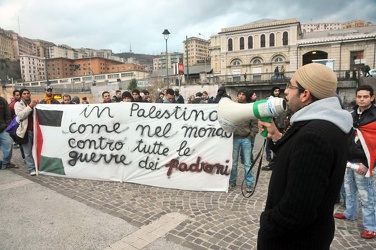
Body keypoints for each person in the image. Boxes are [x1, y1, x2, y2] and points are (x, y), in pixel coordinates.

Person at [257, 63, 353, 249]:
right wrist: (277, 137)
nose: (285, 92)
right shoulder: (328, 123)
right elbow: (299, 160)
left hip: (292, 241)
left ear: (305, 94)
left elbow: (297, 211)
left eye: (291, 86)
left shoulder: (314, 135)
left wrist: (267, 222)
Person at [334, 85, 376, 239]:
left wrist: (366, 163)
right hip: (349, 160)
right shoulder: (352, 115)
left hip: (363, 163)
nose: (362, 99)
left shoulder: (375, 116)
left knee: (367, 195)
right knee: (349, 189)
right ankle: (350, 213)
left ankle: (371, 226)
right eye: (359, 96)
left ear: (372, 97)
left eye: (365, 96)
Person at [229, 89, 258, 192]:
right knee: (234, 163)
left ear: (246, 97)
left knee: (247, 163)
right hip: (235, 139)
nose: (241, 96)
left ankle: (249, 183)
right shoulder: (233, 108)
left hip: (246, 139)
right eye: (239, 94)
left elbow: (255, 125)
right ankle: (232, 181)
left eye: (243, 94)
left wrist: (250, 137)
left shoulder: (249, 108)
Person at [15, 89, 39, 176]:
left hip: (36, 131)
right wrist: (30, 106)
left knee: (37, 150)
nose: (26, 95)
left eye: (28, 93)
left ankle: (38, 166)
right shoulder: (18, 104)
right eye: (24, 94)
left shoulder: (34, 103)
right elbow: (21, 115)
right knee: (28, 151)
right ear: (21, 95)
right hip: (26, 131)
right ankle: (31, 168)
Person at [262, 86, 283, 171]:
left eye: (278, 91)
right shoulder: (269, 100)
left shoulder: (281, 101)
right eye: (275, 91)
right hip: (270, 124)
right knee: (269, 142)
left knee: (278, 143)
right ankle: (268, 156)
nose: (277, 92)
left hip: (279, 125)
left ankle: (275, 160)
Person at [0, 95, 16, 170]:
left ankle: (5, 163)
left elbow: (8, 114)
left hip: (3, 129)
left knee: (8, 144)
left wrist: (6, 126)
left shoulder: (2, 101)